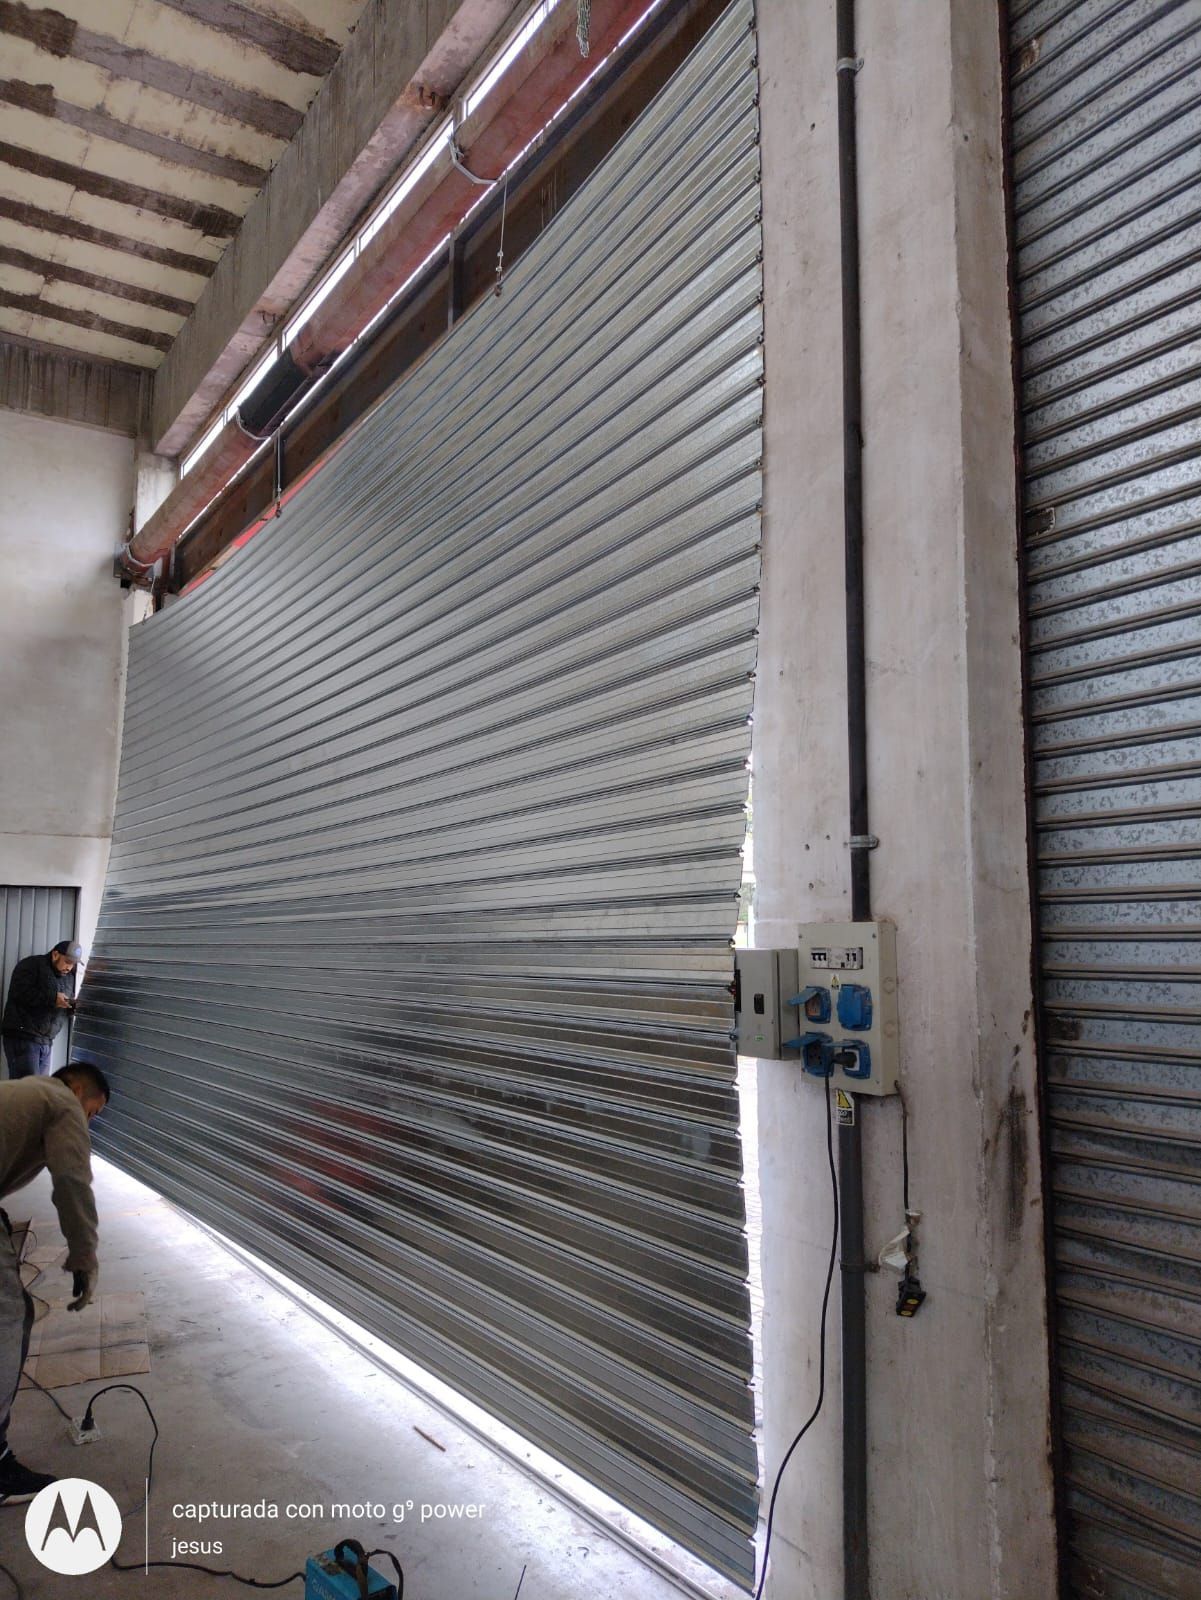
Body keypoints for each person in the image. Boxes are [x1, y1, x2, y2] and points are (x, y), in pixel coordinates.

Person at [0, 1060, 107, 1500]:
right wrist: (84, 1257)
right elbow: (71, 1181)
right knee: (8, 1318)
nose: (88, 1123)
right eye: (94, 1113)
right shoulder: (62, 1102)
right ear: (80, 1090)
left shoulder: (24, 1091)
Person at [1, 940, 83, 1080]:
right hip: (23, 1037)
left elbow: (60, 1006)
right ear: (55, 954)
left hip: (45, 1041)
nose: (70, 967)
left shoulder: (68, 977)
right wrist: (53, 998)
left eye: (74, 963)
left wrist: (71, 1006)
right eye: (68, 961)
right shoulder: (31, 965)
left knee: (38, 1091)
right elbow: (21, 992)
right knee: (26, 1092)